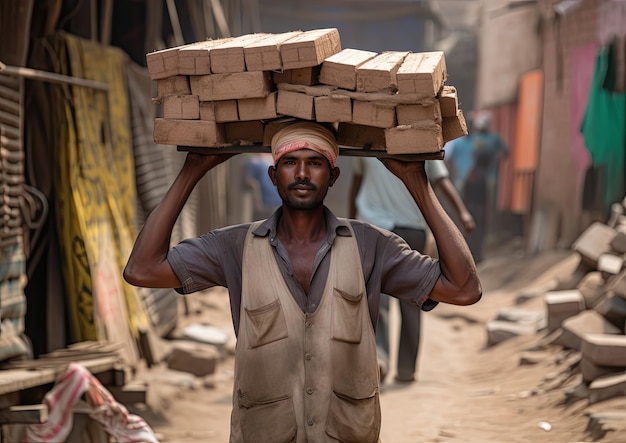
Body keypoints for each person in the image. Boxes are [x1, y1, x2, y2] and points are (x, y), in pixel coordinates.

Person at [123, 120, 482, 442]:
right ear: (273, 175)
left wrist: (417, 182)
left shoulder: (371, 245)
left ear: (334, 175)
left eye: (315, 164)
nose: (302, 174)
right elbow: (143, 269)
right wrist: (192, 170)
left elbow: (463, 289)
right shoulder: (235, 246)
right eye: (290, 163)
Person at [349, 157, 476, 384]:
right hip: (399, 226)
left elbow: (356, 184)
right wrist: (462, 212)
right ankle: (398, 367)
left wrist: (351, 221)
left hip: (378, 224)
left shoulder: (367, 143)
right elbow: (441, 180)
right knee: (409, 299)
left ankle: (381, 358)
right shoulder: (417, 143)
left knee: (383, 296)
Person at [445, 110, 508, 262]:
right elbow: (448, 159)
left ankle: (473, 251)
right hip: (466, 184)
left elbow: (503, 153)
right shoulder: (462, 142)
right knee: (466, 217)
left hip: (475, 188)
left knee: (475, 218)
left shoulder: (482, 141)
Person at [243, 152, 282, 220]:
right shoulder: (276, 160)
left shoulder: (255, 162)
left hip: (270, 202)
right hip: (272, 201)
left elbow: (250, 181)